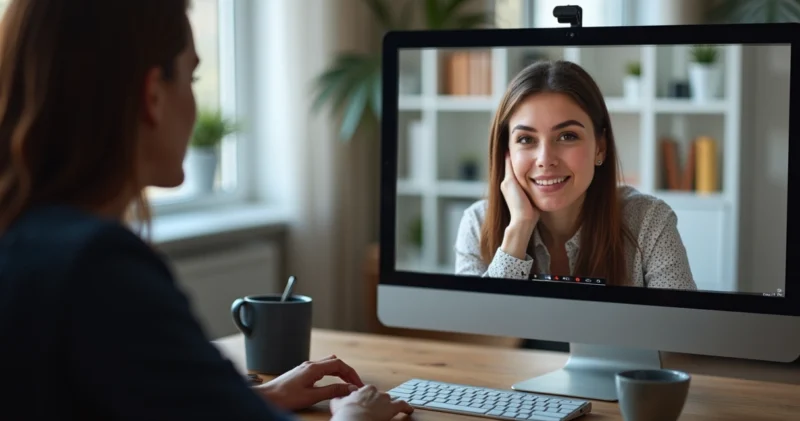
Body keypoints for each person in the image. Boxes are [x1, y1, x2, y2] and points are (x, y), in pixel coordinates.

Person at [0, 1, 413, 420]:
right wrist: (354, 417)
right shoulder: (99, 269)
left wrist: (258, 398)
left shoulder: (26, 242)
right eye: (192, 76)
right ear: (153, 95)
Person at [454, 60, 697, 290]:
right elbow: (478, 331)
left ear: (599, 147)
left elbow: (682, 330)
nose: (545, 159)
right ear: (507, 152)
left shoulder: (649, 222)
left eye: (567, 136)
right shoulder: (477, 224)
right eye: (526, 139)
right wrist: (518, 231)